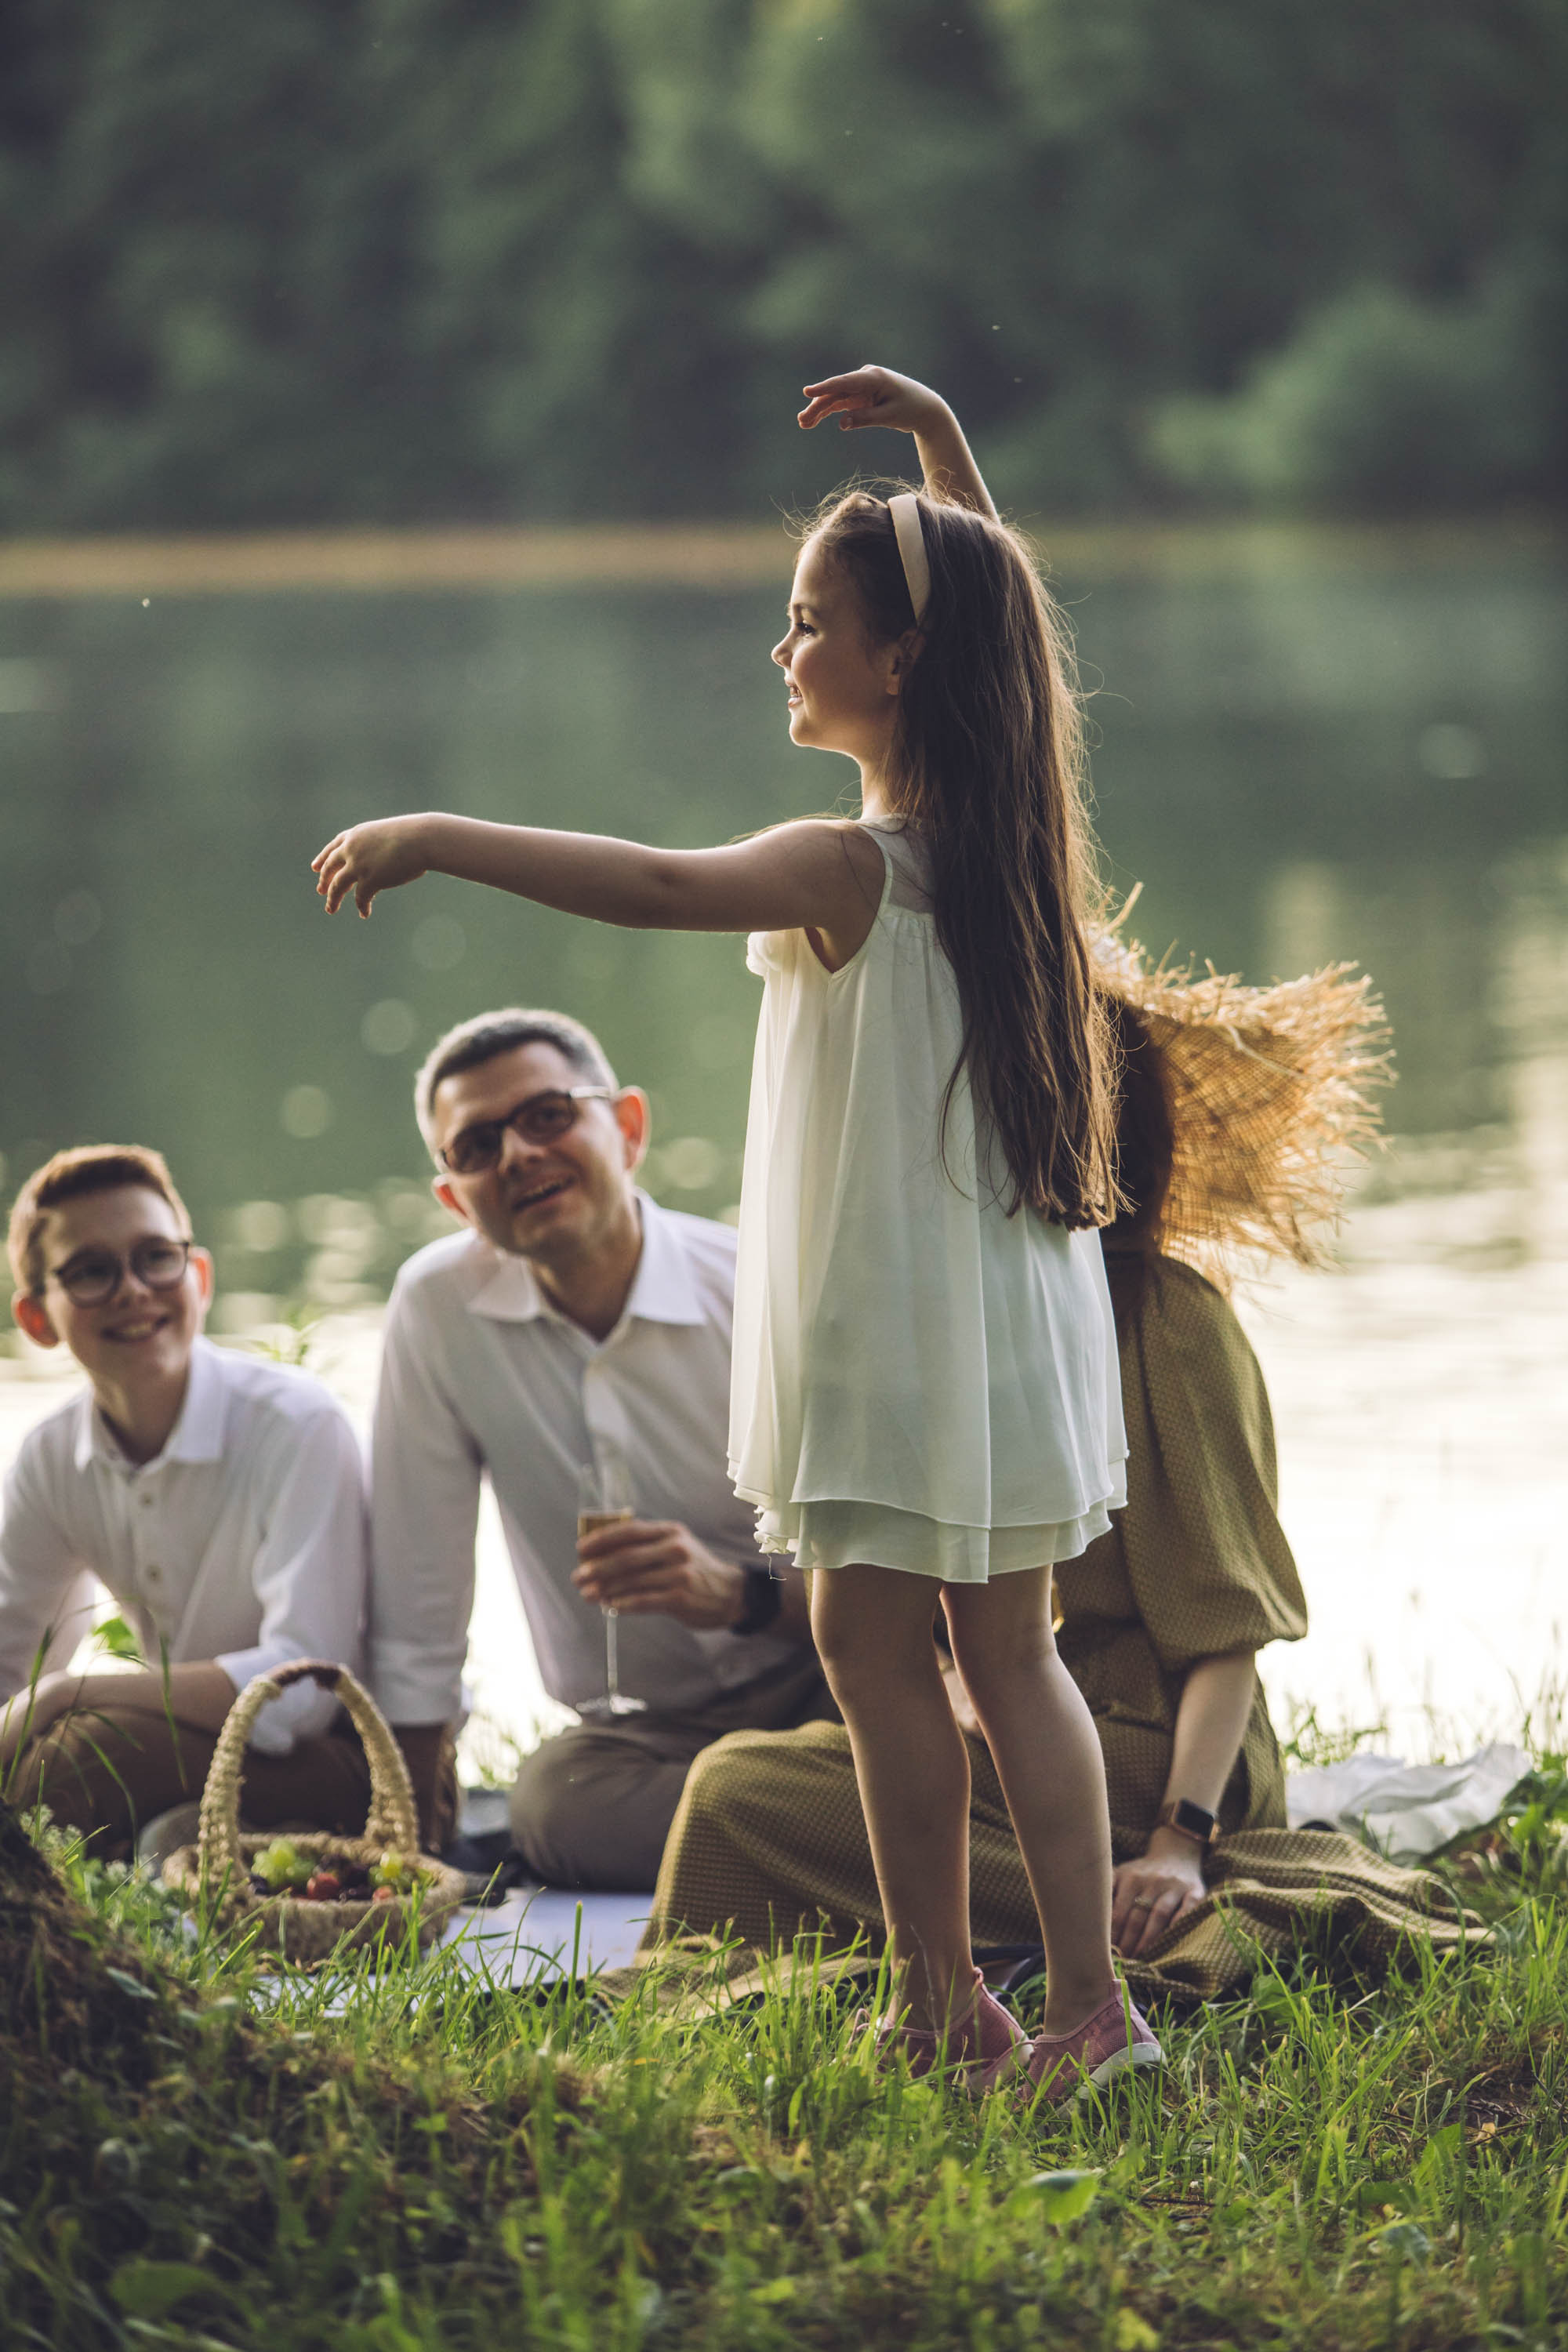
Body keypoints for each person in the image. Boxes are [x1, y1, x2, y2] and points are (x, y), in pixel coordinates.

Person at [314, 361, 1160, 2102]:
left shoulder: (852, 867)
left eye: (805, 623)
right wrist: (936, 454)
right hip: (1007, 1310)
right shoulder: (1008, 853)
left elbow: (648, 883)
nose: (781, 651)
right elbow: (993, 618)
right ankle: (1088, 2012)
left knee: (872, 1647)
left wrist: (437, 836)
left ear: (898, 661)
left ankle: (943, 2000)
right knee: (1008, 1651)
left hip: (897, 1319)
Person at [640, 982, 1341, 1968]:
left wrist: (1181, 1842)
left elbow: (1228, 1633)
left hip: (1157, 1749)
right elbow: (921, 1605)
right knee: (739, 1789)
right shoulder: (961, 1315)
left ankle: (1131, 1901)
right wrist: (948, 1681)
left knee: (738, 1797)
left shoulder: (1167, 1320)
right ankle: (1057, 1908)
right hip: (1008, 1710)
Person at [365, 1006, 833, 1878]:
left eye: (547, 1117)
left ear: (627, 1127)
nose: (516, 1156)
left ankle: (831, 1831)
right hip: (650, 1740)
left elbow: (896, 1579)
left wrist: (737, 1593)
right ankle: (887, 1840)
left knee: (887, 1750)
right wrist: (409, 1831)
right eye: (476, 1147)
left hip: (836, 1687)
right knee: (553, 1802)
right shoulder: (435, 1310)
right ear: (454, 1198)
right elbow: (418, 1588)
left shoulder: (761, 1292)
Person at [1, 1145, 369, 1860]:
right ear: (37, 1318)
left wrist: (73, 1694)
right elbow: (8, 1661)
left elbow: (304, 1695)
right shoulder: (51, 1457)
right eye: (91, 1271)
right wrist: (45, 1699)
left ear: (197, 1277)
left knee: (74, 1761)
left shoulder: (296, 1424)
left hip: (358, 1763)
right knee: (61, 1759)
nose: (133, 1289)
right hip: (199, 1749)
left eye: (155, 1257)